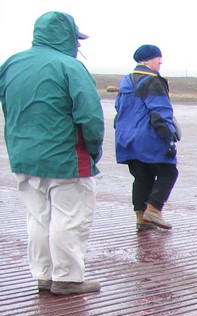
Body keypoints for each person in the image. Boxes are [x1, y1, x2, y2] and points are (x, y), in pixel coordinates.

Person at [0, 11, 103, 295]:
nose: (78, 45)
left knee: (38, 217)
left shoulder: (11, 63)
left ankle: (43, 274)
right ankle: (67, 277)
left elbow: (9, 108)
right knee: (69, 217)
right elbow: (90, 116)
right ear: (67, 36)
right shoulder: (69, 66)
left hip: (24, 156)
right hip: (65, 157)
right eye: (76, 38)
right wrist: (94, 150)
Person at [114, 44, 178, 231]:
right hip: (147, 137)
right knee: (168, 171)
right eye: (159, 59)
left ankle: (141, 217)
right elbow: (160, 111)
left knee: (142, 176)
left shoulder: (127, 81)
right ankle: (154, 209)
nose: (161, 62)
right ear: (150, 60)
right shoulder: (153, 81)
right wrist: (169, 137)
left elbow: (119, 109)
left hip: (126, 138)